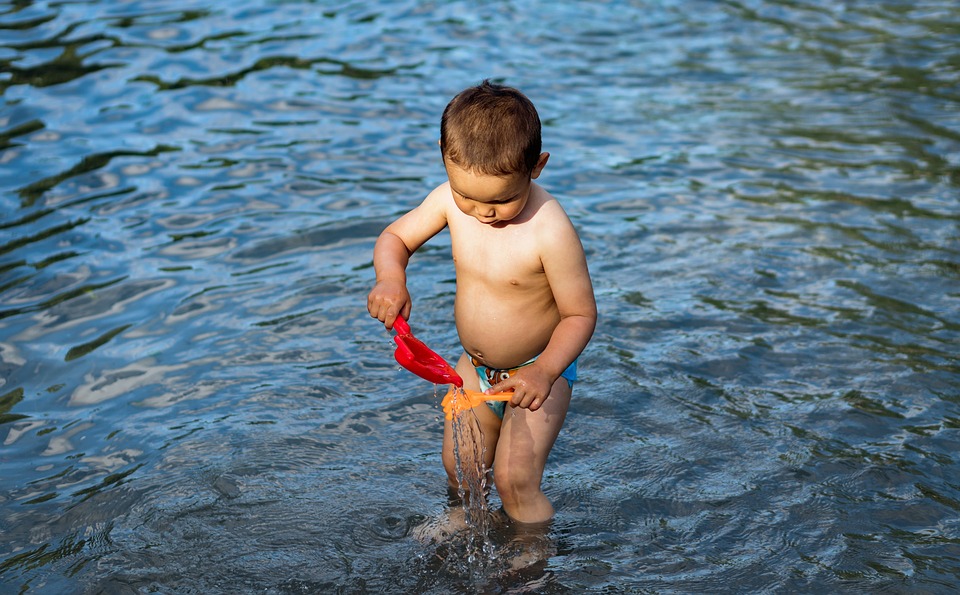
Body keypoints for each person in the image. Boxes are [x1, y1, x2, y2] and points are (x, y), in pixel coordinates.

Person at [367, 80, 596, 524]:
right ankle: (465, 524)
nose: (483, 213)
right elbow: (395, 237)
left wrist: (545, 370)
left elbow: (580, 313)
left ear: (537, 167)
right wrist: (391, 279)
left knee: (515, 480)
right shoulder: (448, 202)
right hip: (473, 368)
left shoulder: (549, 228)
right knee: (461, 469)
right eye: (467, 196)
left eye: (502, 200)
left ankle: (532, 555)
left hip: (537, 372)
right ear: (444, 156)